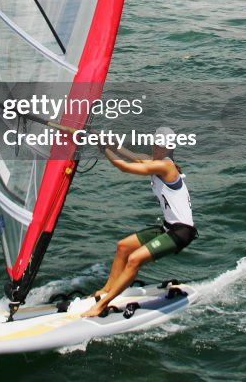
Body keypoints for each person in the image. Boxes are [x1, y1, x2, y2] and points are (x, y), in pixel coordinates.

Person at [82, 126, 197, 318]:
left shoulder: (166, 166)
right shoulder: (156, 162)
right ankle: (105, 290)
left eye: (159, 146)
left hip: (181, 232)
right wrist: (102, 141)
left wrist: (104, 149)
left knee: (134, 259)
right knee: (123, 246)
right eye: (154, 143)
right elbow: (129, 155)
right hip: (168, 228)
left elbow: (125, 166)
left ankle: (102, 304)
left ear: (169, 148)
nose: (155, 147)